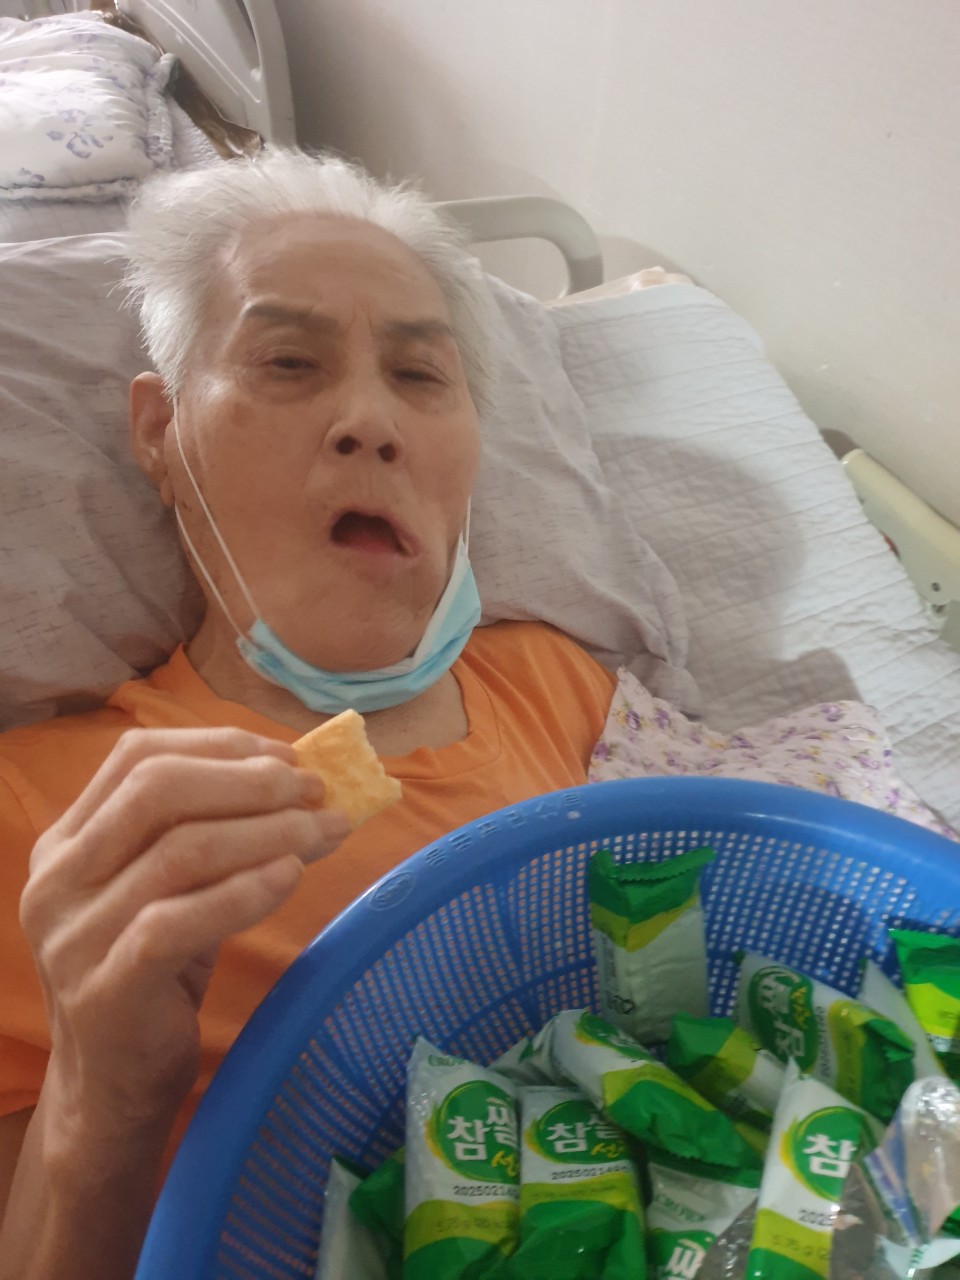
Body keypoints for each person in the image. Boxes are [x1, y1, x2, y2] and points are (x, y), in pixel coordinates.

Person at [0, 150, 617, 1280]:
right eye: (288, 362)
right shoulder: (44, 818)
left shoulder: (569, 686)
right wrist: (102, 1097)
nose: (369, 422)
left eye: (420, 376)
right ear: (160, 433)